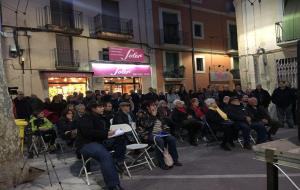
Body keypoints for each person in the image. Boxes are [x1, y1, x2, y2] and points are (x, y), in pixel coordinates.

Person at [76, 101, 125, 190]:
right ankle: (113, 185)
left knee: (121, 139)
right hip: (86, 144)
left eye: (103, 107)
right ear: (93, 109)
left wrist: (111, 132)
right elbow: (88, 133)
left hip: (100, 142)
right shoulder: (85, 118)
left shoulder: (99, 117)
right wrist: (107, 133)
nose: (103, 108)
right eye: (100, 107)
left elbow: (102, 130)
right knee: (105, 156)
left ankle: (117, 161)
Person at [137, 101, 182, 170]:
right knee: (159, 141)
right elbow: (147, 125)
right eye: (152, 105)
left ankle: (175, 159)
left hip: (160, 133)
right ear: (147, 107)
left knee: (172, 139)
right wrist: (153, 116)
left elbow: (163, 124)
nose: (155, 107)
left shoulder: (158, 114)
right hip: (148, 134)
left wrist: (166, 131)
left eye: (155, 105)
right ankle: (161, 163)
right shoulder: (143, 115)